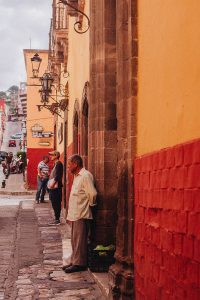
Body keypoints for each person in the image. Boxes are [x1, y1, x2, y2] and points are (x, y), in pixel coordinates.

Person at [63, 154, 97, 273]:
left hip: (82, 213)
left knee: (80, 240)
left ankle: (79, 263)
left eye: (69, 164)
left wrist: (90, 207)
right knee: (75, 240)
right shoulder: (77, 176)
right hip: (75, 213)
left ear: (75, 164)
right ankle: (74, 260)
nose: (68, 167)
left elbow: (92, 194)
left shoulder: (85, 176)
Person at [48, 151, 63, 225]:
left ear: (56, 156)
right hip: (54, 187)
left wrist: (52, 184)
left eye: (52, 155)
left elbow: (58, 176)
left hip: (56, 187)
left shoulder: (59, 164)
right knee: (54, 202)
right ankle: (56, 219)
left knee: (56, 203)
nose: (50, 156)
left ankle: (57, 220)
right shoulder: (56, 164)